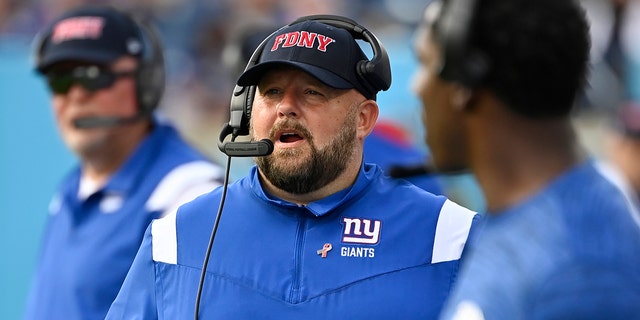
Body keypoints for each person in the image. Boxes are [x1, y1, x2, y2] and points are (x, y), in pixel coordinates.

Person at [107, 15, 480, 319]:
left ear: (364, 119)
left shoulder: (449, 238)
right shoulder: (174, 240)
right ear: (245, 114)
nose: (286, 107)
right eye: (271, 92)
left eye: (312, 92)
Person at [412, 0, 640, 319]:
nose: (416, 87)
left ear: (465, 85)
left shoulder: (582, 276)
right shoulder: (522, 215)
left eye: (426, 63)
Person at [24, 5, 224, 320]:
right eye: (60, 81)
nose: (75, 96)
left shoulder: (189, 193)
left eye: (93, 77)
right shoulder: (71, 188)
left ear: (146, 82)